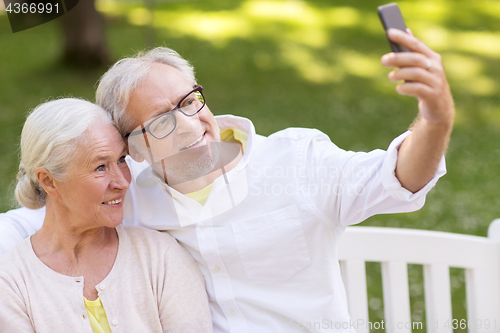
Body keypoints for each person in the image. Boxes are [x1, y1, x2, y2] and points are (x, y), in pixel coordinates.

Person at [0, 29, 453, 332]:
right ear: (134, 147)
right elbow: (34, 223)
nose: (189, 125)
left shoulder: (297, 161)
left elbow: (397, 177)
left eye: (190, 102)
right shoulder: (128, 191)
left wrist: (434, 119)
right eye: (160, 121)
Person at [0, 98, 212, 333]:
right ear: (49, 181)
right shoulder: (10, 284)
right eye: (100, 167)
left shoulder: (160, 258)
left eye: (121, 160)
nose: (123, 182)